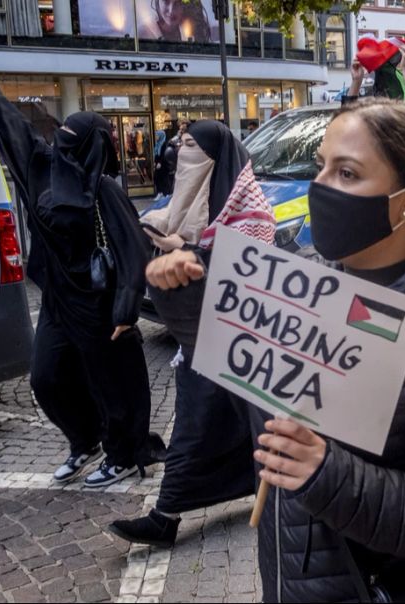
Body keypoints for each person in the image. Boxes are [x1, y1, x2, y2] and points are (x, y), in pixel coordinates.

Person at [145, 98, 405, 602]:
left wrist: (330, 476)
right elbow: (247, 373)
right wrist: (182, 296)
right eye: (321, 165)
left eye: (347, 173)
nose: (320, 186)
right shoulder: (305, 278)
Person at [0, 63, 162, 487]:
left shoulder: (104, 190)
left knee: (112, 386)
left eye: (75, 139)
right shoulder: (41, 166)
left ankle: (122, 453)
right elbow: (13, 127)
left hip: (97, 307)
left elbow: (132, 249)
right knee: (47, 377)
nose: (65, 145)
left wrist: (126, 309)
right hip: (56, 300)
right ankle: (85, 439)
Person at [108, 120, 276, 547]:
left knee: (228, 429)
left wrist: (188, 252)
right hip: (196, 344)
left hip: (237, 343)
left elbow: (248, 273)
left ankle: (173, 513)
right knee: (202, 427)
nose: (182, 153)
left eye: (192, 146)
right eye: (179, 144)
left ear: (215, 156)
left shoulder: (251, 208)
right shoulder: (187, 201)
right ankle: (168, 515)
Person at [140, 0, 212, 42]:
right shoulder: (143, 34)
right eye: (166, 1)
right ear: (157, 3)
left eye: (178, 3)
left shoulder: (197, 26)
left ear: (186, 6)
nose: (171, 11)